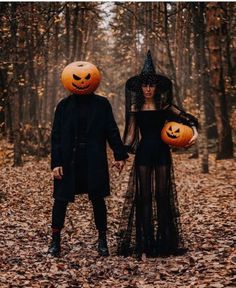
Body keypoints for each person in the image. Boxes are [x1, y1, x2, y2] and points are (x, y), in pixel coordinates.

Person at [117, 51, 198, 258]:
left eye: (151, 85)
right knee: (144, 197)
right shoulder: (136, 107)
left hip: (162, 152)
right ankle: (145, 243)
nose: (148, 89)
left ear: (156, 87)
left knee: (162, 196)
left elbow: (189, 121)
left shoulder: (165, 106)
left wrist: (191, 136)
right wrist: (121, 154)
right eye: (145, 85)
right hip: (144, 152)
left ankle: (165, 242)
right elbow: (130, 135)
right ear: (141, 87)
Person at [48, 61, 128, 257]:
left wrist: (119, 154)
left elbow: (111, 130)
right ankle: (55, 241)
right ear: (69, 80)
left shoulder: (102, 104)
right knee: (60, 200)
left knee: (98, 200)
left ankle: (102, 241)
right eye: (77, 78)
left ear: (94, 79)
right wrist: (56, 162)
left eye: (86, 78)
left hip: (94, 159)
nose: (82, 81)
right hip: (68, 160)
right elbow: (56, 135)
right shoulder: (64, 106)